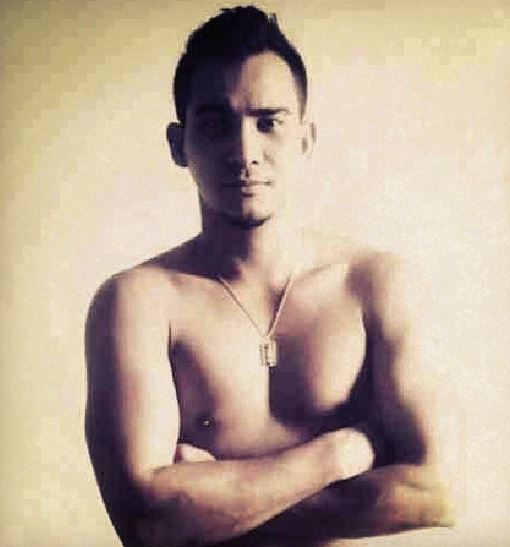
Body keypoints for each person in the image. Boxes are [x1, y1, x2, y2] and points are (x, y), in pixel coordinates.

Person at [85, 6, 454, 546]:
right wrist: (339, 453)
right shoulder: (137, 302)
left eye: (269, 122)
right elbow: (147, 526)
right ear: (178, 144)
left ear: (304, 138)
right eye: (216, 124)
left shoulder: (374, 285)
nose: (244, 152)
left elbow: (436, 491)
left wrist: (207, 508)